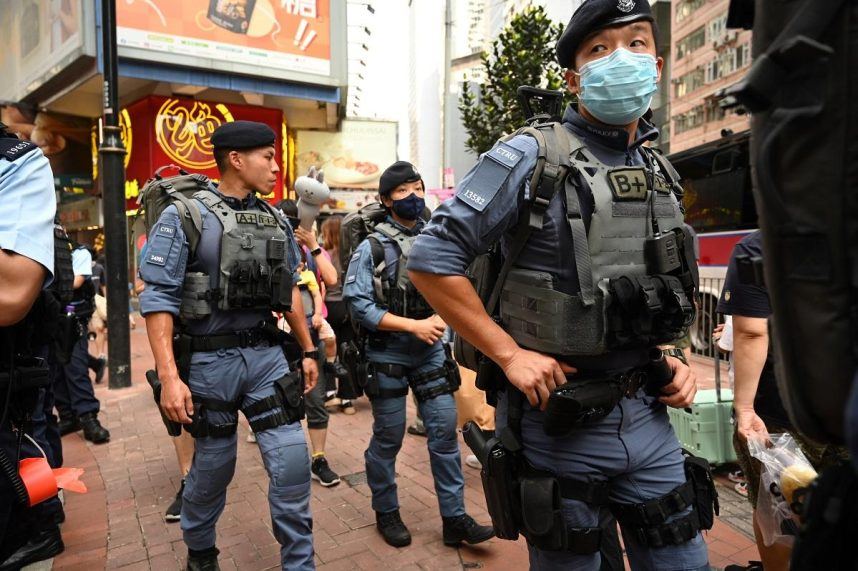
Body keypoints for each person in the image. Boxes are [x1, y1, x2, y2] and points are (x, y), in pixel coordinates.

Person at [408, 2, 710, 569]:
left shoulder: (658, 169)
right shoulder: (530, 154)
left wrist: (675, 355)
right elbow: (430, 258)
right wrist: (510, 353)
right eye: (599, 48)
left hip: (649, 417)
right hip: (560, 426)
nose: (622, 58)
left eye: (637, 43)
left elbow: (662, 285)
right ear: (573, 78)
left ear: (660, 63)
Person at [139, 121, 319, 570]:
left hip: (266, 359)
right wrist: (169, 378)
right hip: (208, 363)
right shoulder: (184, 215)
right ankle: (201, 553)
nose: (277, 167)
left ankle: (300, 563)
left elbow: (291, 286)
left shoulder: (277, 218)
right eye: (268, 157)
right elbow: (157, 297)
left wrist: (308, 348)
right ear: (236, 159)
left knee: (293, 465)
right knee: (214, 469)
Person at [343, 161, 494, 549]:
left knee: (444, 434)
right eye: (402, 191)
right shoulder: (371, 246)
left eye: (417, 187)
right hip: (387, 354)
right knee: (389, 436)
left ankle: (455, 519)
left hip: (430, 355)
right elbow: (358, 305)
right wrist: (413, 325)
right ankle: (387, 511)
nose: (413, 196)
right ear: (386, 199)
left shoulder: (435, 238)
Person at [716, 230, 848, 571]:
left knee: (782, 523)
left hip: (779, 415)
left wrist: (744, 409)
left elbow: (750, 332)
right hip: (849, 411)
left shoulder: (760, 246)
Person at [0, 122, 64, 568]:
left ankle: (43, 520)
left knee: (34, 438)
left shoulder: (20, 167)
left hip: (27, 354)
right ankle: (44, 515)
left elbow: (15, 298)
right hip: (34, 354)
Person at [53, 241, 110, 443]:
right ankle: (68, 417)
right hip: (49, 318)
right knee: (55, 373)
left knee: (75, 368)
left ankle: (88, 418)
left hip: (72, 319)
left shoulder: (77, 251)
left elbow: (76, 281)